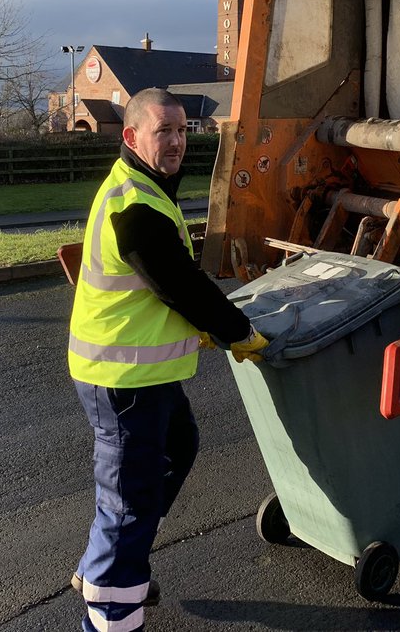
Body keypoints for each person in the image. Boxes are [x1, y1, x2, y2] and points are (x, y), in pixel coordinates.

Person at [68, 87, 268, 632]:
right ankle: (110, 609)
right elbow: (180, 284)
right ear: (132, 136)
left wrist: (201, 331)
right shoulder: (137, 205)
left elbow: (157, 289)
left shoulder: (146, 188)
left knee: (178, 448)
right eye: (165, 131)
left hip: (137, 373)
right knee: (130, 504)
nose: (177, 141)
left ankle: (105, 566)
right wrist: (238, 333)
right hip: (125, 380)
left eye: (183, 131)